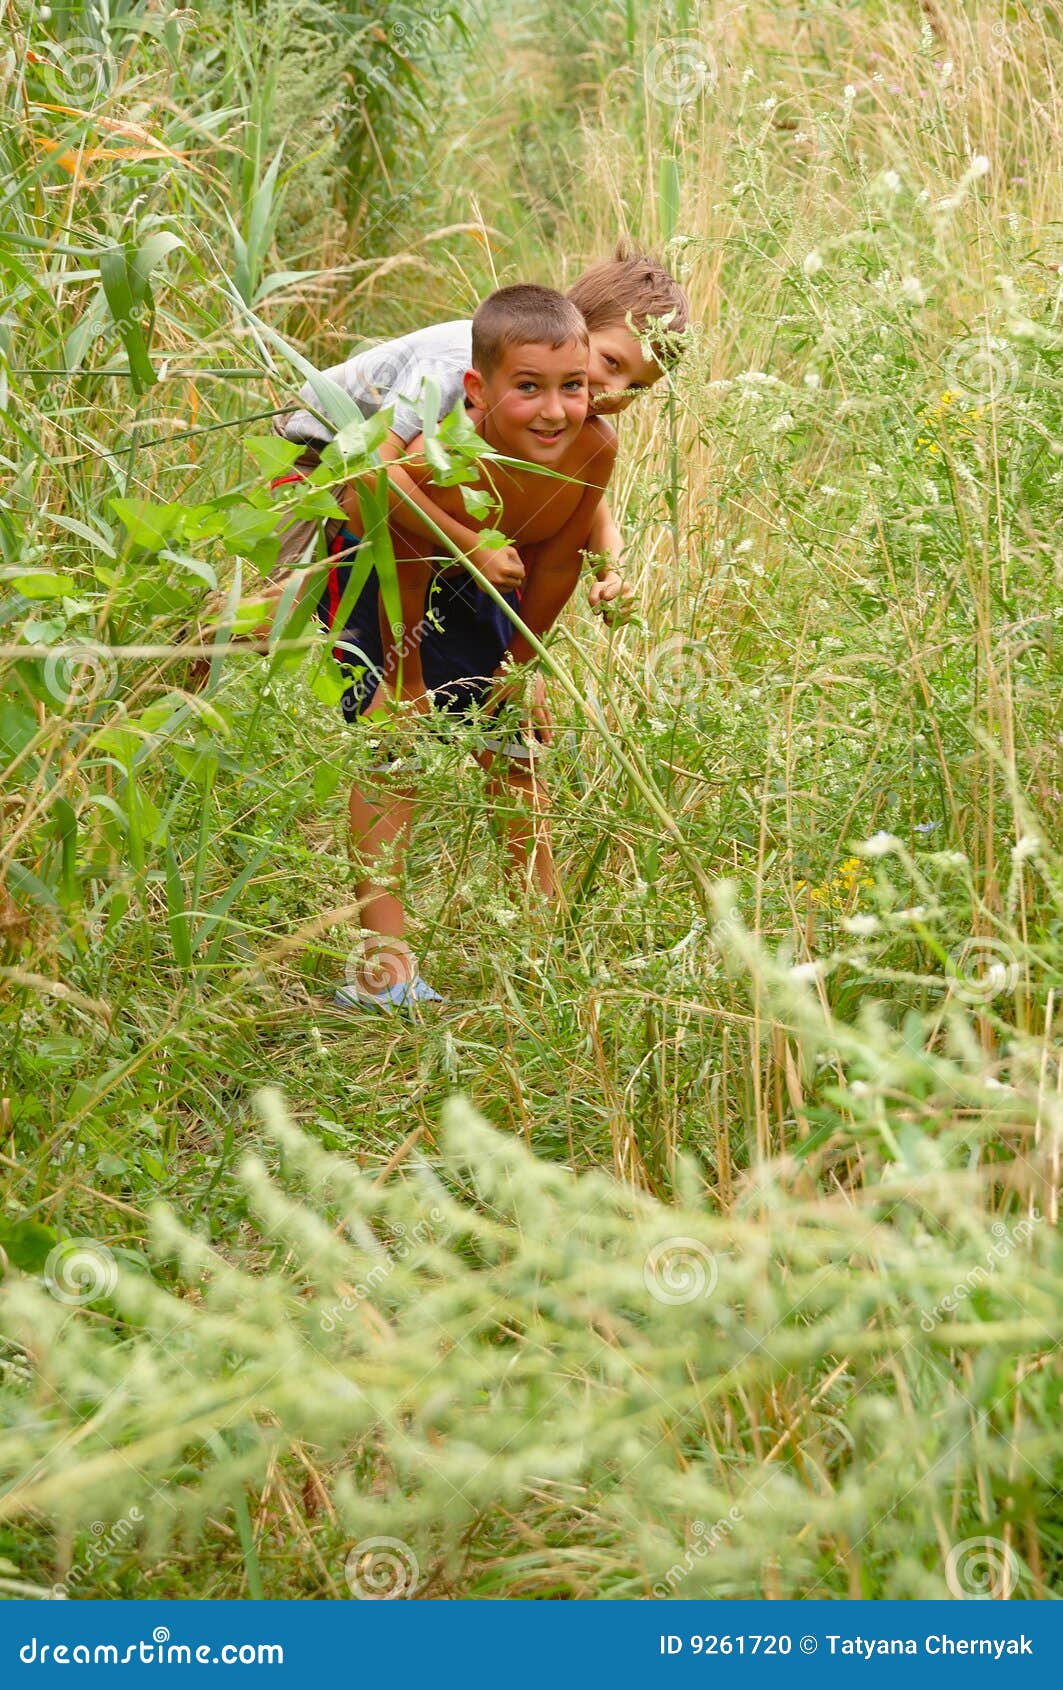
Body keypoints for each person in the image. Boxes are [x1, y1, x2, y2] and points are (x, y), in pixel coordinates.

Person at [328, 284, 619, 1010]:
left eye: (572, 387)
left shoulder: (590, 452)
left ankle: (547, 944)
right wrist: (412, 663)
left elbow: (555, 561)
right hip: (389, 570)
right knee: (395, 748)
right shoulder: (440, 451)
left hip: (485, 584)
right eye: (528, 388)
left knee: (513, 745)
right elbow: (365, 493)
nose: (554, 410)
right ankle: (383, 968)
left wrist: (518, 668)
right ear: (477, 390)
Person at [268, 243, 689, 626]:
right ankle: (206, 655)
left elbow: (591, 505)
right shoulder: (458, 365)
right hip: (322, 455)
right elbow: (373, 462)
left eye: (637, 388)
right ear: (573, 325)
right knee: (274, 613)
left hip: (402, 477)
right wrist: (469, 545)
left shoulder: (562, 405)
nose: (615, 394)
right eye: (612, 363)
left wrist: (610, 572)